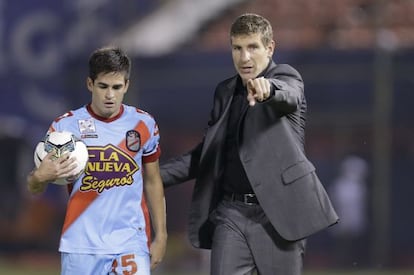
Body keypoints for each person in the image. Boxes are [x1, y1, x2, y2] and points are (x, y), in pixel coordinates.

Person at [160, 13, 338, 275]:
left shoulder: (286, 77)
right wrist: (150, 176)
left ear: (270, 48)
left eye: (252, 47)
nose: (244, 57)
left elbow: (289, 95)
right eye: (237, 48)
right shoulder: (225, 92)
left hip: (278, 215)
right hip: (231, 213)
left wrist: (268, 89)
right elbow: (206, 155)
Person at [27, 46, 167, 275]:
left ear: (126, 86)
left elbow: (153, 180)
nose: (110, 95)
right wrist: (40, 177)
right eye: (103, 86)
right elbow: (35, 186)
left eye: (117, 87)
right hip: (81, 245)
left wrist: (161, 235)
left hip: (130, 242)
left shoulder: (144, 124)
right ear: (90, 84)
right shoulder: (64, 128)